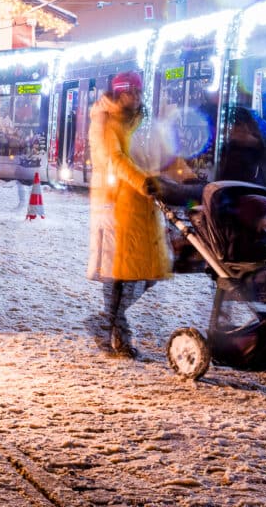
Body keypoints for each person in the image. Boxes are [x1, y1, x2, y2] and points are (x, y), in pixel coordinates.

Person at [86, 70, 172, 358]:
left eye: (138, 92)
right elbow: (115, 159)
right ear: (119, 94)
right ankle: (118, 335)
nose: (136, 98)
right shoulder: (106, 123)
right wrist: (142, 182)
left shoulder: (139, 122)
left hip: (138, 204)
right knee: (117, 274)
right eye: (130, 93)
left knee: (146, 273)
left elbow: (151, 155)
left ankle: (106, 323)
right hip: (113, 206)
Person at [216, 105, 266, 192]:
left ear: (244, 126)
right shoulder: (231, 146)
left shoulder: (259, 146)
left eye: (234, 125)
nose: (230, 129)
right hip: (232, 193)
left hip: (251, 194)